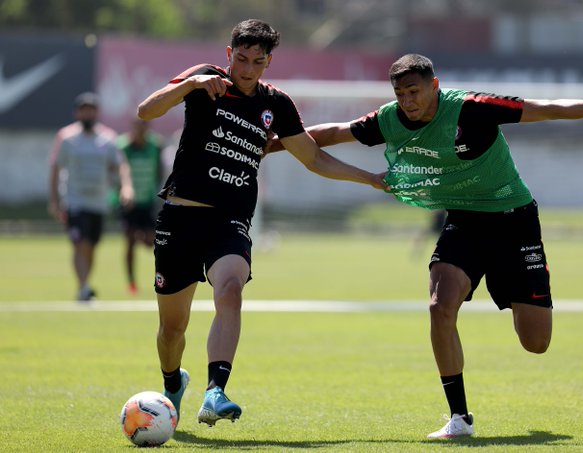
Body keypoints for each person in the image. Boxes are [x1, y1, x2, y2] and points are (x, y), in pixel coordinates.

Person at [272, 54, 583, 439]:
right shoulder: (390, 119)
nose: (407, 101)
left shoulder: (472, 109)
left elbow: (547, 109)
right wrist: (272, 143)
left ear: (435, 86)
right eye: (400, 93)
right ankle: (459, 418)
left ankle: (521, 295)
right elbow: (333, 132)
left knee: (536, 342)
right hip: (464, 221)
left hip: (514, 221)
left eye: (414, 92)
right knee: (439, 305)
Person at [136, 19, 385, 427]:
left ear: (268, 61)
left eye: (257, 61)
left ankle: (215, 391)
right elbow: (146, 111)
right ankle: (172, 382)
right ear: (228, 54)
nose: (247, 69)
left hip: (229, 221)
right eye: (240, 58)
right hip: (179, 218)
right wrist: (190, 85)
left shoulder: (278, 105)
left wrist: (369, 178)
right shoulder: (206, 79)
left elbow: (314, 157)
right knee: (172, 329)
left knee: (230, 290)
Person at [49, 92, 134, 302]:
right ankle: (84, 287)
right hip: (75, 200)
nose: (88, 113)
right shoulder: (67, 138)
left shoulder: (108, 138)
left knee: (91, 245)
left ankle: (84, 284)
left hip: (98, 201)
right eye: (84, 109)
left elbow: (119, 165)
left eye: (91, 109)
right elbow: (56, 168)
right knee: (80, 243)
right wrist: (54, 200)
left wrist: (126, 187)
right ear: (77, 112)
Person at [116, 117, 163, 295]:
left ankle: (160, 278)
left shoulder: (156, 145)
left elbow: (159, 172)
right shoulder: (122, 146)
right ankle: (131, 282)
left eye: (144, 125)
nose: (140, 128)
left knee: (152, 240)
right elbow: (119, 169)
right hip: (128, 202)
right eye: (137, 125)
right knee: (129, 240)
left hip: (148, 200)